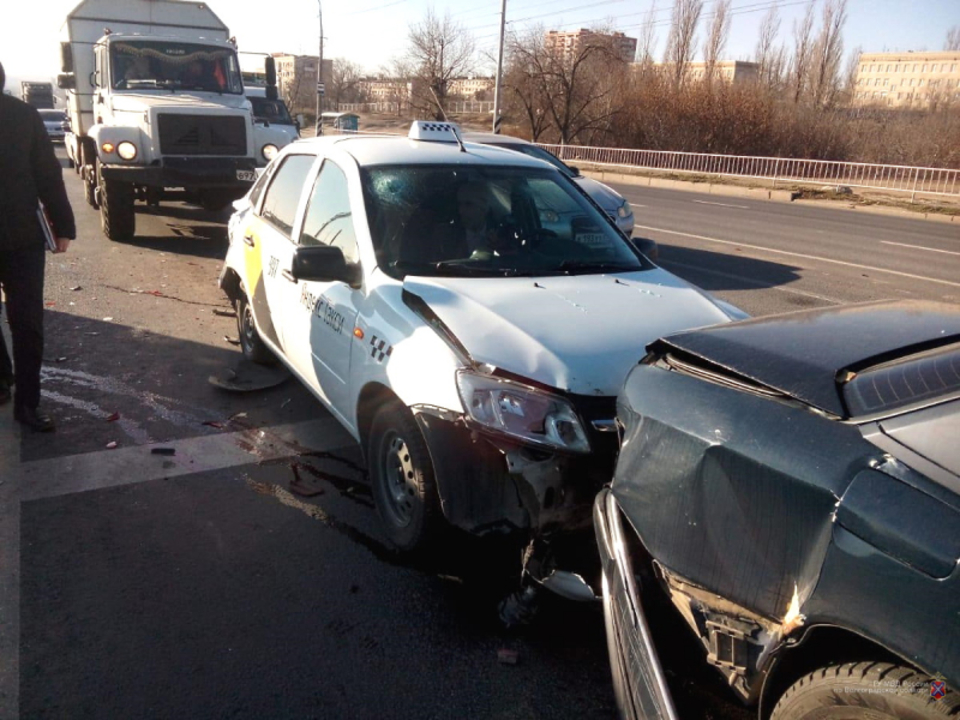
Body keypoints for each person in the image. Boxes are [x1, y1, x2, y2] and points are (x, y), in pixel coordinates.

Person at [0, 60, 76, 431]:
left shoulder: (22, 117)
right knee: (23, 324)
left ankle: (27, 404)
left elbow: (48, 174)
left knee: (27, 323)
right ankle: (3, 381)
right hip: (20, 238)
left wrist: (64, 227)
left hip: (22, 239)